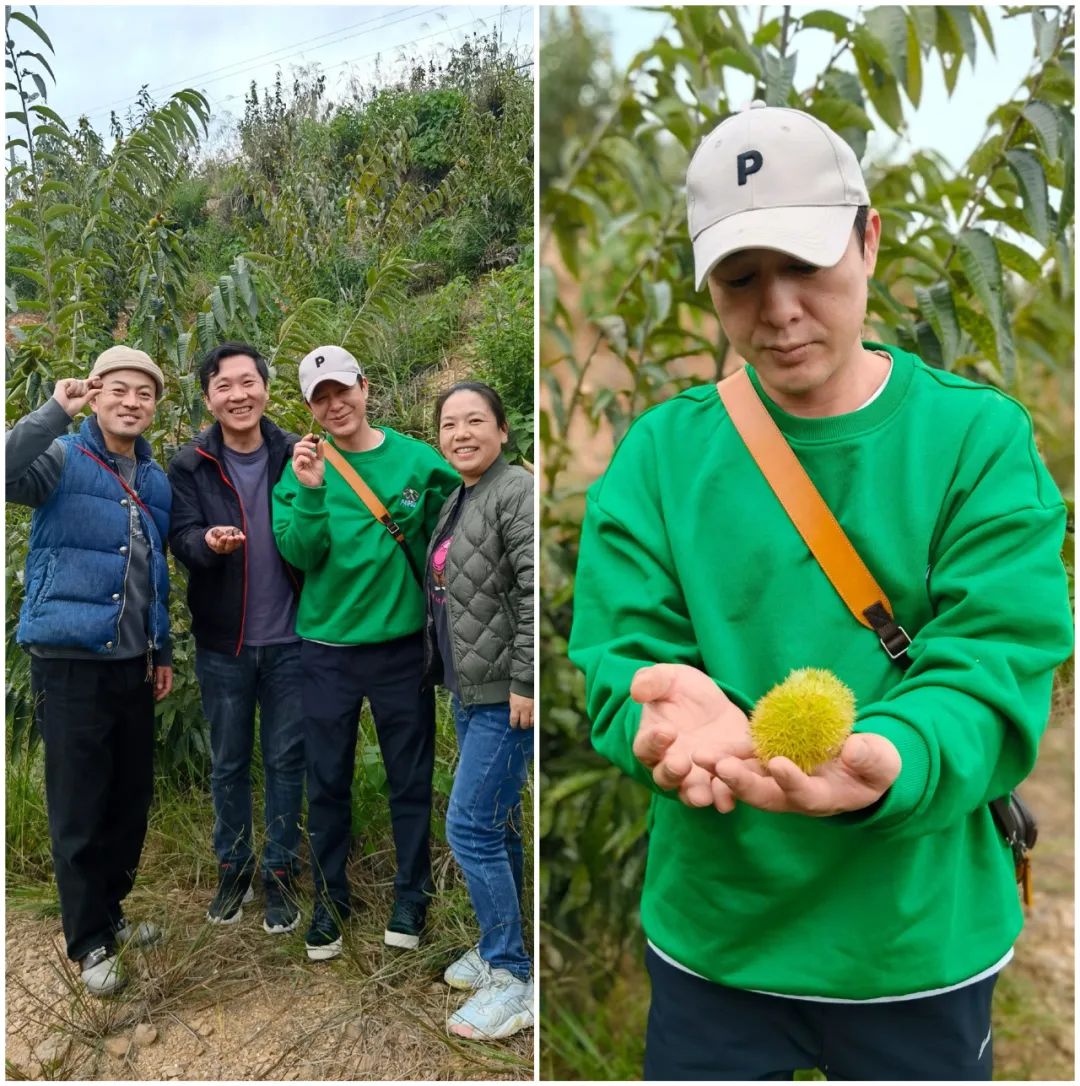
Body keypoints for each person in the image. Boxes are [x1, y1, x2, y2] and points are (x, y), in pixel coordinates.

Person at [568, 102, 1073, 1081]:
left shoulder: (978, 443)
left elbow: (994, 660)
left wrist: (893, 753)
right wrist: (656, 713)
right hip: (718, 940)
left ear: (870, 238)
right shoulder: (663, 459)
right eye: (742, 278)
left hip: (915, 940)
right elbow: (619, 658)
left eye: (805, 263)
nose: (780, 308)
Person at [272, 345, 459, 960]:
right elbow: (301, 553)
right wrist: (310, 491)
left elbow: (459, 519)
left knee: (410, 777)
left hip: (401, 649)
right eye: (320, 397)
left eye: (342, 389)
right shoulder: (301, 468)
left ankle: (412, 892)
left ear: (364, 386)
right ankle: (331, 896)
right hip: (325, 650)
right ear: (309, 407)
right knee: (325, 778)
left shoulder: (415, 460)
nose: (335, 404)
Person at [6, 346, 174, 997]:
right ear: (97, 393)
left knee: (127, 800)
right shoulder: (60, 459)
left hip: (133, 666)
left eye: (145, 394)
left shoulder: (154, 480)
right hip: (69, 665)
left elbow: (153, 578)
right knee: (78, 805)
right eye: (120, 390)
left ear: (155, 405)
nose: (132, 402)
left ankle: (113, 914)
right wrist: (53, 411)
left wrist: (159, 651)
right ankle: (89, 939)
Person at [167, 342, 304, 934]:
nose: (239, 395)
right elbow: (183, 537)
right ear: (209, 397)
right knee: (228, 763)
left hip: (294, 640)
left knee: (284, 760)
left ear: (266, 389)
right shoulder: (190, 463)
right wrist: (208, 545)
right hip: (224, 642)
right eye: (225, 386)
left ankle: (278, 874)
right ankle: (233, 868)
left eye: (249, 382)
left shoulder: (296, 452)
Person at [424, 382, 534, 1040]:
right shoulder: (463, 496)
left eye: (474, 421)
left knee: (468, 826)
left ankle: (511, 975)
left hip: (506, 694)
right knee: (496, 824)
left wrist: (526, 677)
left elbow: (533, 585)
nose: (460, 433)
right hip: (473, 690)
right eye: (449, 424)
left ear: (502, 429)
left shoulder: (514, 491)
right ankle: (505, 945)